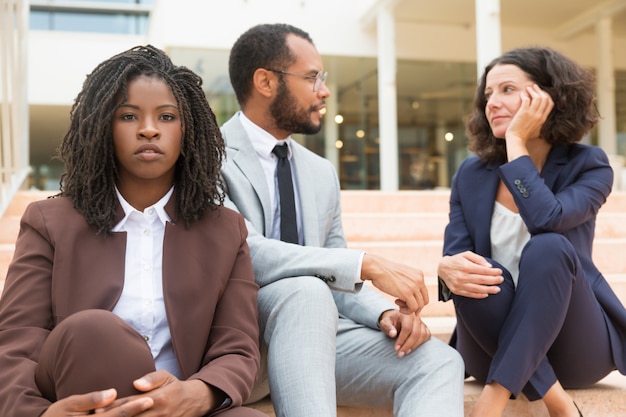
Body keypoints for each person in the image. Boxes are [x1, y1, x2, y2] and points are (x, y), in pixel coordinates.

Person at [0, 45, 265, 417]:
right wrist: (39, 414)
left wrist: (200, 393)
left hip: (181, 408)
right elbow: (15, 343)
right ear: (103, 127)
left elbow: (236, 346)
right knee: (94, 333)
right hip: (85, 402)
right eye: (128, 116)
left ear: (186, 130)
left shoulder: (224, 229)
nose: (149, 130)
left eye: (167, 117)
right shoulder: (50, 222)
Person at [220, 23, 465, 417]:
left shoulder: (320, 172)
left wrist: (384, 314)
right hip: (236, 347)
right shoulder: (208, 158)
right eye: (312, 77)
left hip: (320, 343)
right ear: (265, 81)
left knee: (438, 362)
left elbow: (333, 265)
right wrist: (365, 263)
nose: (325, 91)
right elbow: (245, 252)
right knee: (305, 291)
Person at [437, 46, 626, 417]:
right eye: (488, 94)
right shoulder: (470, 175)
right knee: (474, 269)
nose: (492, 102)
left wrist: (517, 144)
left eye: (507, 89)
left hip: (574, 344)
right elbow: (458, 254)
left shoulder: (590, 165)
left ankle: (491, 400)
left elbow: (547, 219)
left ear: (548, 97)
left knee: (549, 248)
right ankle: (558, 403)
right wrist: (445, 269)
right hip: (488, 340)